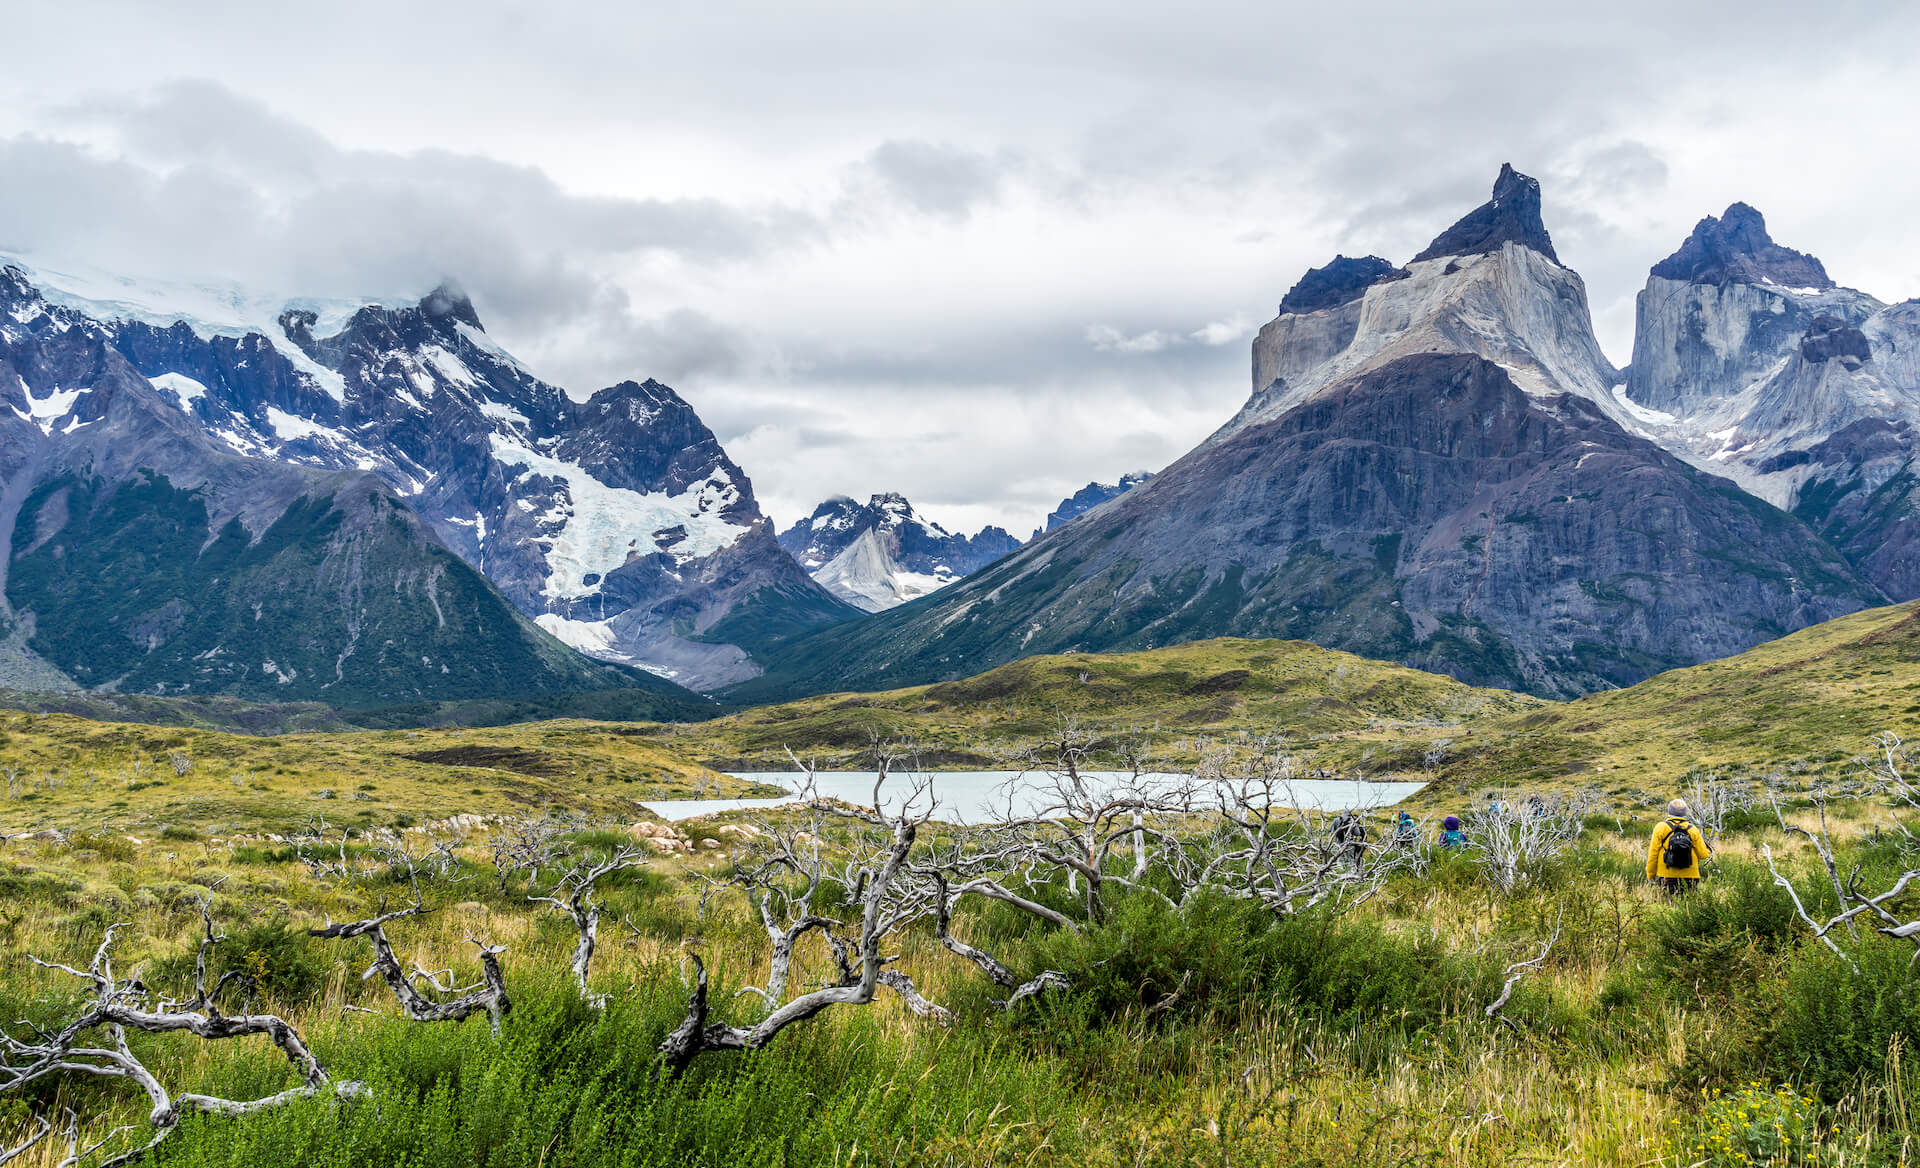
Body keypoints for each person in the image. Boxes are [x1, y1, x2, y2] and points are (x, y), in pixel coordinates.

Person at [1646, 798, 1711, 894]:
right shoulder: (1692, 829)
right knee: (1688, 906)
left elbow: (1653, 854)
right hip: (1691, 876)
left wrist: (1650, 875)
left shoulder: (1660, 827)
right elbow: (1703, 855)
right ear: (1685, 812)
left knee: (1668, 906)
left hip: (1666, 875)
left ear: (1669, 811)